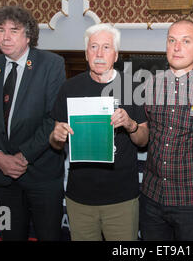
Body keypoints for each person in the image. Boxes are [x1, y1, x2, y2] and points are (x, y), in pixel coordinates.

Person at [49, 23, 149, 241]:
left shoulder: (132, 87)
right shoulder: (69, 88)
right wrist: (56, 136)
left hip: (121, 198)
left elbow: (143, 140)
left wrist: (131, 124)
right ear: (86, 54)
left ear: (116, 54)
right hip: (80, 198)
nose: (100, 53)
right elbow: (56, 142)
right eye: (93, 47)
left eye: (106, 47)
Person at [0, 6, 66, 240]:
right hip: (3, 177)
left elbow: (53, 118)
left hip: (41, 175)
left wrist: (23, 157)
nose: (5, 36)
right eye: (0, 30)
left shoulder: (51, 64)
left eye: (13, 30)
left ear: (28, 36)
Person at [140, 20, 193, 241]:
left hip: (190, 200)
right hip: (151, 196)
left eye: (185, 41)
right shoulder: (149, 86)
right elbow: (146, 133)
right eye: (172, 41)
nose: (177, 48)